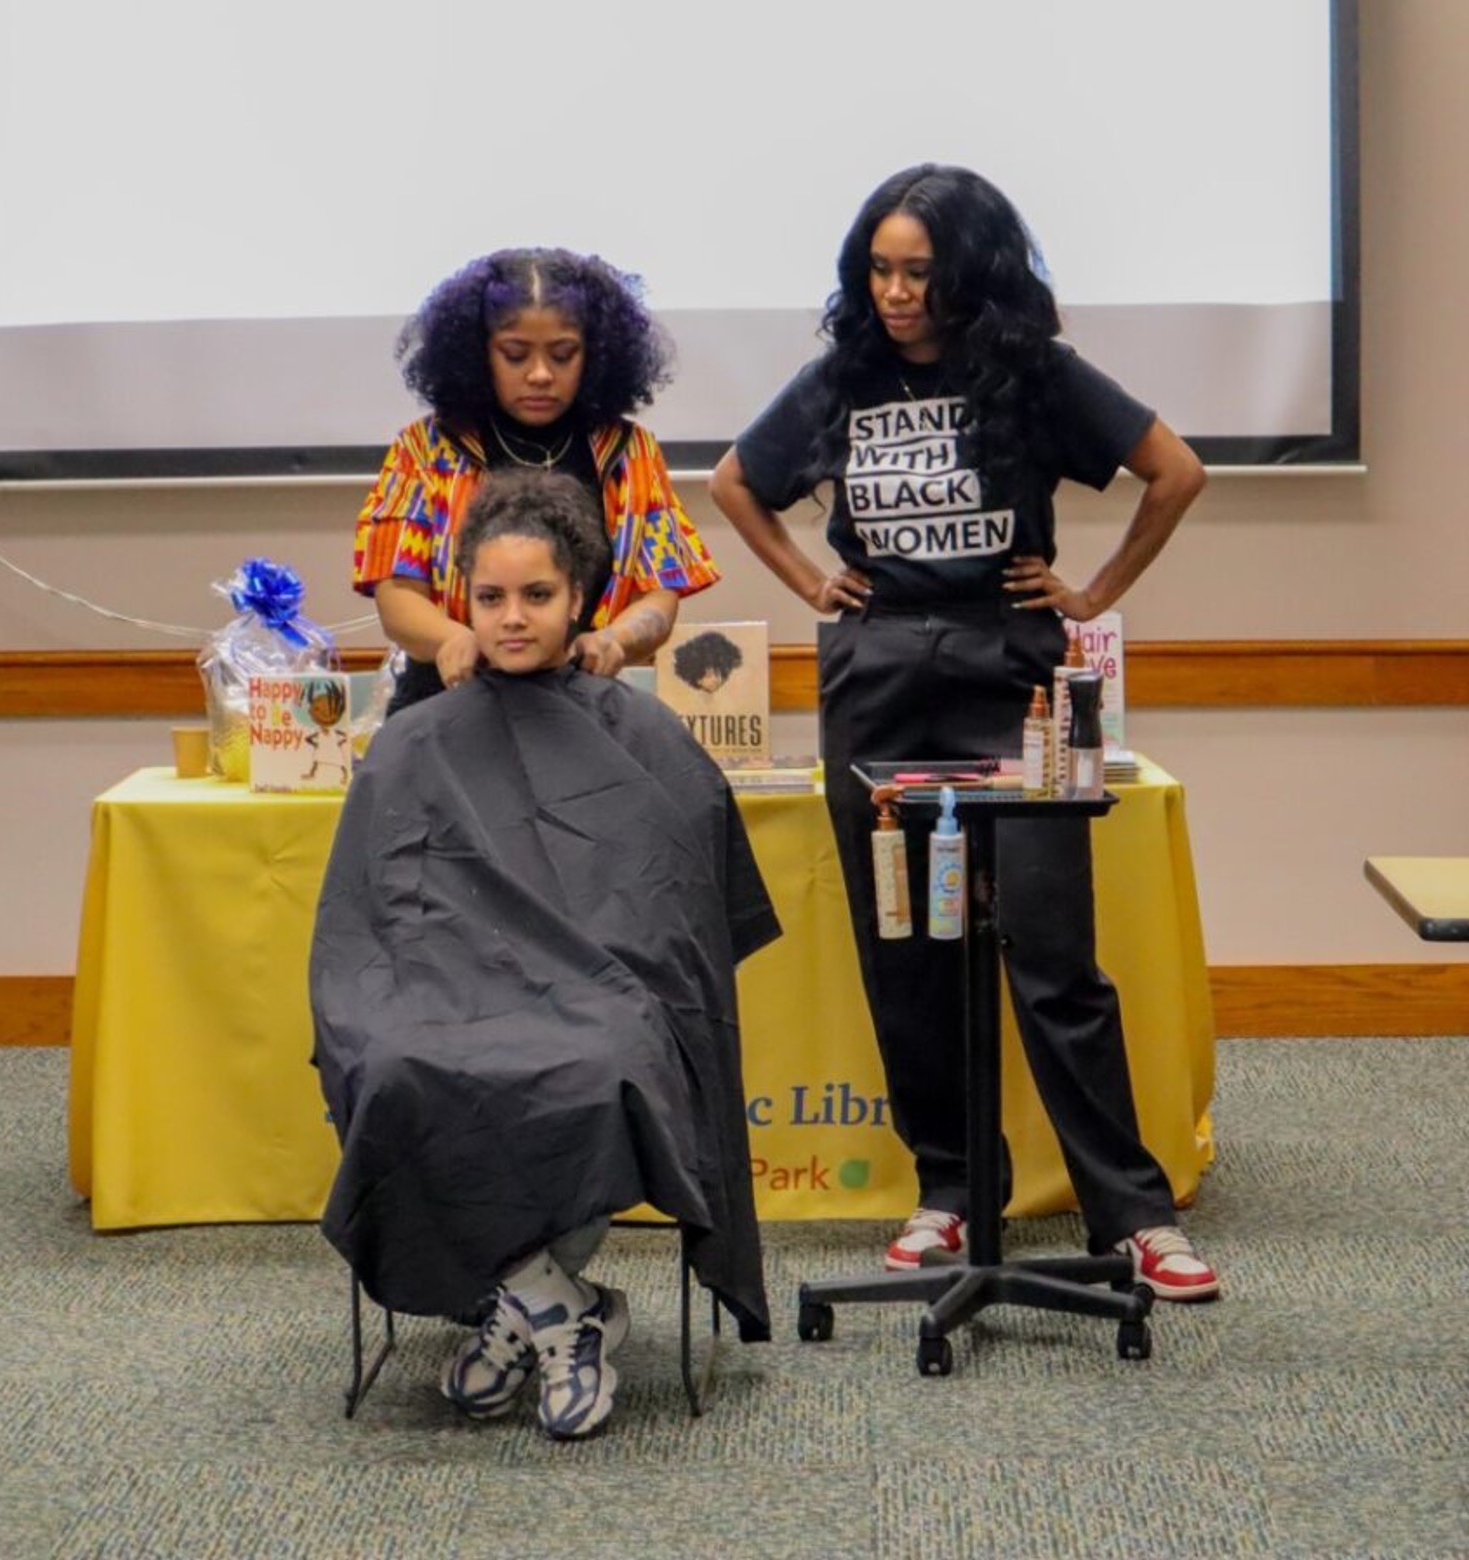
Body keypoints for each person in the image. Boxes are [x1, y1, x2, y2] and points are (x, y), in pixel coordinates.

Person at [708, 164, 1219, 1302]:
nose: (895, 293)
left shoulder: (1031, 372)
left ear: (970, 274)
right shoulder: (842, 376)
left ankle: (1131, 1214)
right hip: (878, 677)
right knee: (909, 956)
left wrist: (1087, 592)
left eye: (919, 273)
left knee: (1049, 953)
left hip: (1011, 677)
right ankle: (950, 1191)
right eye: (880, 270)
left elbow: (1176, 472)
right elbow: (736, 480)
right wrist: (808, 579)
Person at [312, 469, 779, 1441]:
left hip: (603, 995)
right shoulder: (414, 743)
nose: (512, 619)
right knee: (397, 1067)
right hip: (445, 990)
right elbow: (373, 922)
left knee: (604, 1063)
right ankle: (560, 1311)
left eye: (537, 596)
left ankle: (518, 1312)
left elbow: (681, 912)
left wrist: (629, 982)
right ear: (460, 601)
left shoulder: (640, 733)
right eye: (490, 598)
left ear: (581, 600)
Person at [353, 247, 719, 712]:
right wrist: (453, 640)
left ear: (596, 355)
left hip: (581, 704)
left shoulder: (629, 451)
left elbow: (659, 592)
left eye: (563, 355)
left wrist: (616, 640)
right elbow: (397, 596)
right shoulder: (425, 449)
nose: (541, 374)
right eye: (515, 354)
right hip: (447, 705)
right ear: (477, 355)